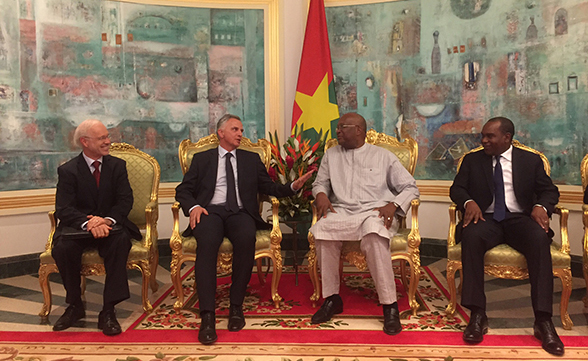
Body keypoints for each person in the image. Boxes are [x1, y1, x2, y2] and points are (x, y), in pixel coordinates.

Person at [175, 114, 314, 345]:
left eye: (241, 130)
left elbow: (268, 187)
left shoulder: (251, 159)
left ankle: (236, 307)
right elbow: (183, 190)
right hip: (210, 211)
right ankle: (207, 316)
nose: (240, 133)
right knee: (207, 244)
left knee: (246, 239)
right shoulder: (202, 159)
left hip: (240, 212)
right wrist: (194, 207)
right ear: (221, 133)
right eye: (235, 129)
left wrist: (292, 186)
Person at [450, 117, 564, 356]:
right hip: (486, 218)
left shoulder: (530, 160)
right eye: (483, 135)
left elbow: (549, 190)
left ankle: (543, 321)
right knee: (471, 236)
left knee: (539, 238)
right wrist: (469, 201)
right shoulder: (472, 160)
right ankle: (477, 315)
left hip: (519, 219)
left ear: (507, 137)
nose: (484, 140)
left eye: (490, 136)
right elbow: (457, 189)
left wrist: (541, 206)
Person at [308, 112, 419, 335]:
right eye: (337, 128)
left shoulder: (383, 156)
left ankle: (390, 306)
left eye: (342, 127)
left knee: (374, 233)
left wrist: (394, 206)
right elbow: (320, 183)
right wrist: (320, 194)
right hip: (343, 211)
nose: (337, 131)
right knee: (322, 230)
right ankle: (332, 298)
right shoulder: (331, 155)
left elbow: (410, 187)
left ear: (358, 130)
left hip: (375, 212)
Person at [52, 119, 141, 336]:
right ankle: (74, 306)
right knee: (62, 248)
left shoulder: (117, 166)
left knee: (120, 243)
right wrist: (88, 223)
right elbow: (63, 208)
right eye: (101, 138)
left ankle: (108, 310)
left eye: (107, 136)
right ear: (85, 142)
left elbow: (124, 201)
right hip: (78, 228)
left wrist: (106, 221)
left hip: (110, 227)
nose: (108, 141)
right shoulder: (68, 170)